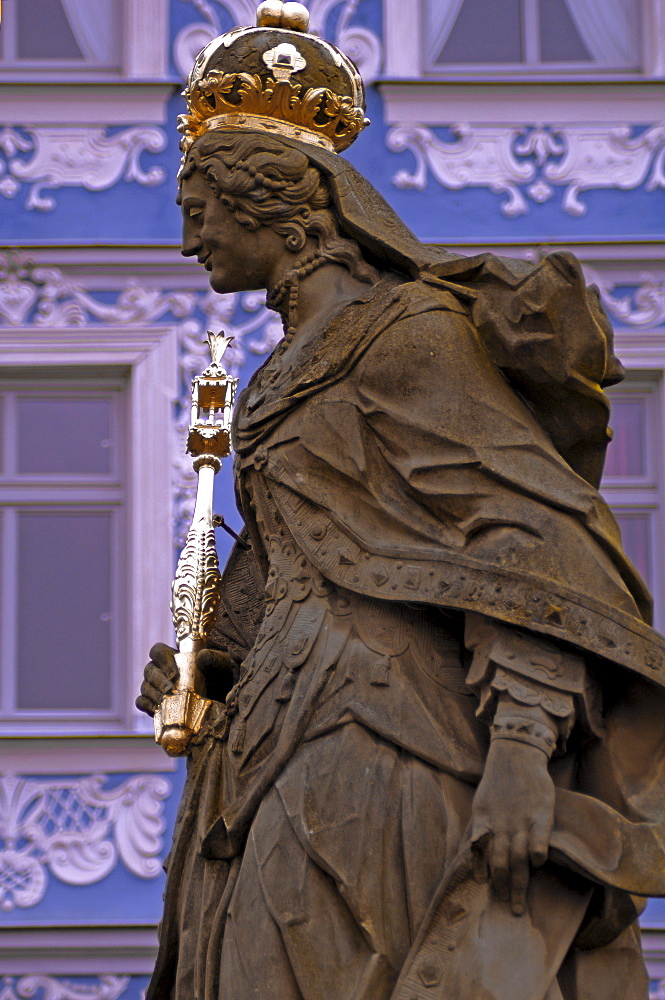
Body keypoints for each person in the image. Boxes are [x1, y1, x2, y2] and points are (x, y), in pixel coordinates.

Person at [137, 5, 665, 999]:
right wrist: (214, 662)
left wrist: (517, 748)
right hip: (266, 753)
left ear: (271, 203)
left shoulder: (411, 333)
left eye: (198, 207)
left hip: (382, 742)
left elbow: (527, 540)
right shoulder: (281, 369)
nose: (186, 240)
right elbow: (311, 556)